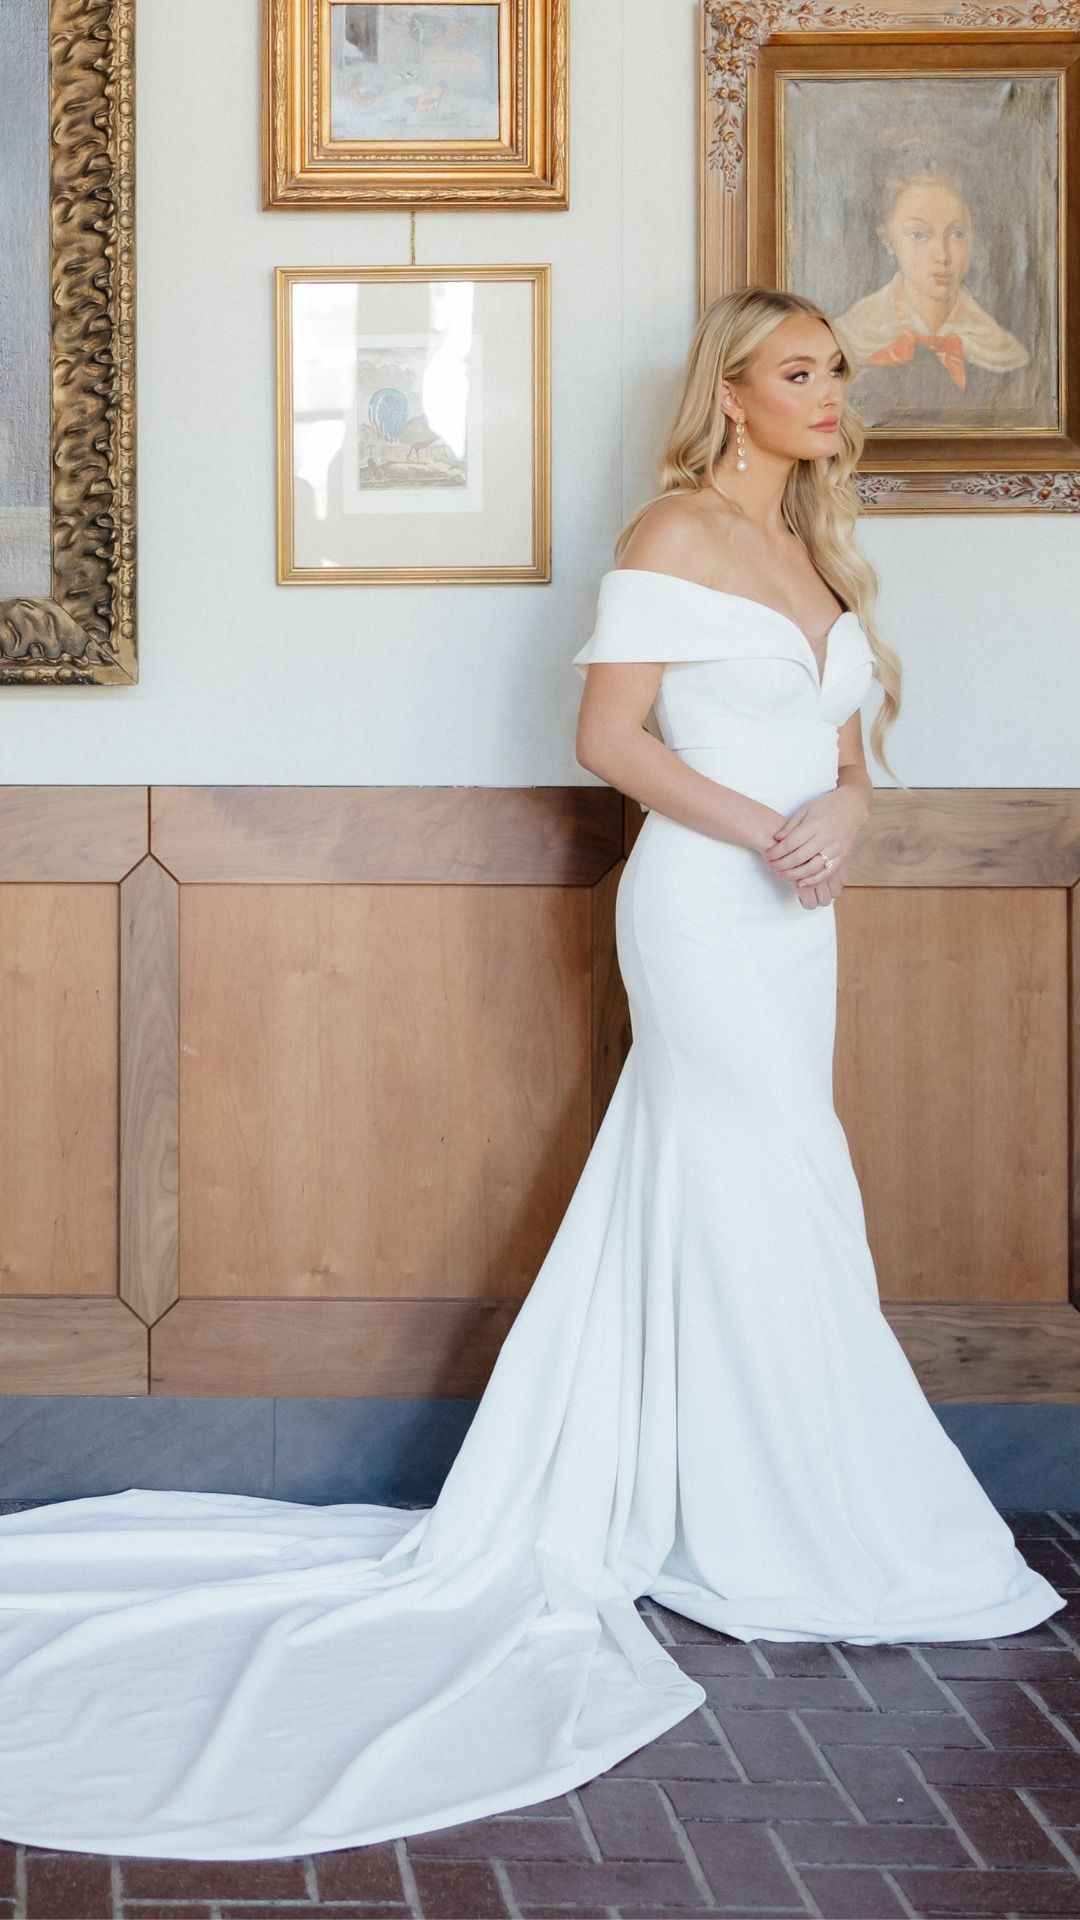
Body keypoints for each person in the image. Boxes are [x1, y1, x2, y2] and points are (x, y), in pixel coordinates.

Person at [0, 286, 1064, 1864]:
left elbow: (839, 754)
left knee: (734, 1181)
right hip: (708, 909)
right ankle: (806, 1516)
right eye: (798, 371)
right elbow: (612, 741)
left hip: (798, 920)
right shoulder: (674, 535)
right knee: (773, 1176)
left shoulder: (816, 547)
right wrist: (770, 832)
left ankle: (726, 1493)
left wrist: (851, 809)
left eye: (837, 368)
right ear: (729, 393)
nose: (832, 391)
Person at [835, 131, 1036, 430]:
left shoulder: (1004, 356)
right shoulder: (848, 340)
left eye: (957, 234)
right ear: (887, 237)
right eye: (919, 234)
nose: (941, 255)